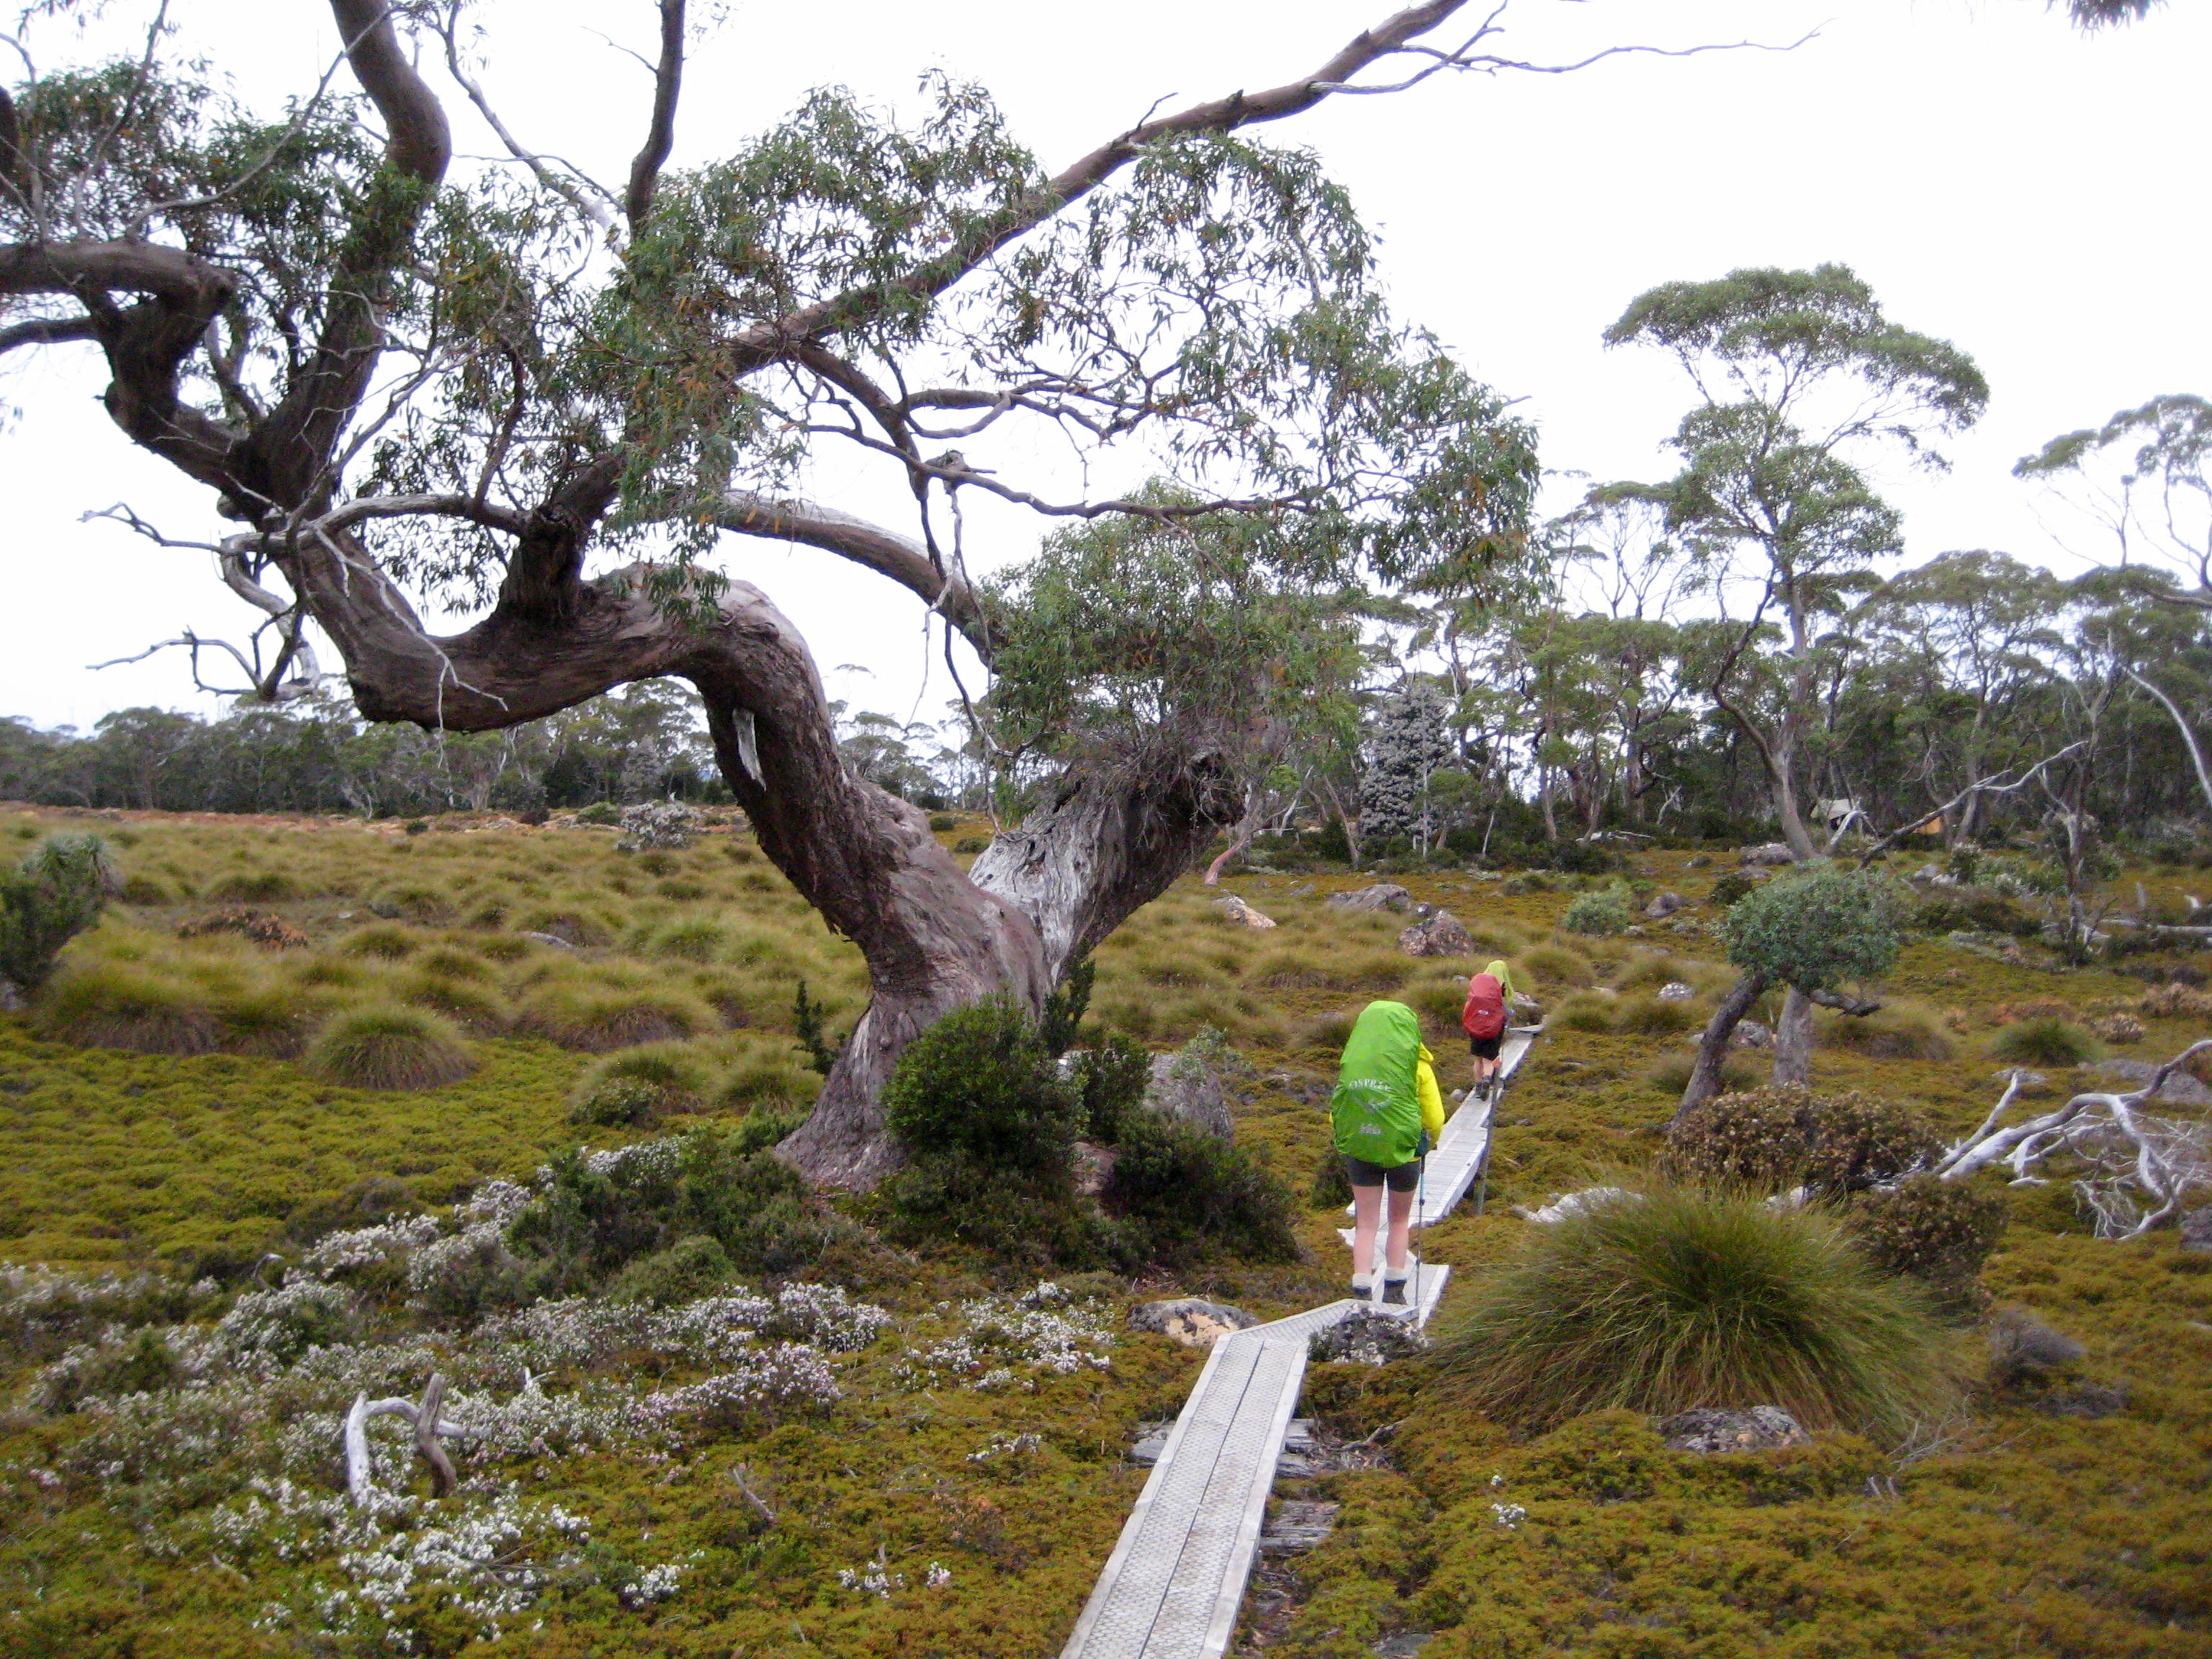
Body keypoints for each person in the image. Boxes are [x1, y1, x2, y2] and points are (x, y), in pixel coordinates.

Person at [1330, 999, 1445, 1305]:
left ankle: (1361, 1290)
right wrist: (1429, 1142)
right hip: (1404, 1152)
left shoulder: (1353, 1063)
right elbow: (1435, 1118)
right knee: (1398, 1221)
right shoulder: (1417, 1067)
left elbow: (1338, 1112)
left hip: (1361, 1150)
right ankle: (1394, 1289)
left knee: (1366, 1223)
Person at [1462, 957, 1522, 1100]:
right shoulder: (1501, 989)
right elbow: (1507, 1011)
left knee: (1478, 1059)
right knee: (1489, 1059)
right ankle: (1487, 1080)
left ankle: (1477, 1087)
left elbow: (1468, 1006)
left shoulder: (1480, 988)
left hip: (1476, 1027)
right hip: (1494, 1029)